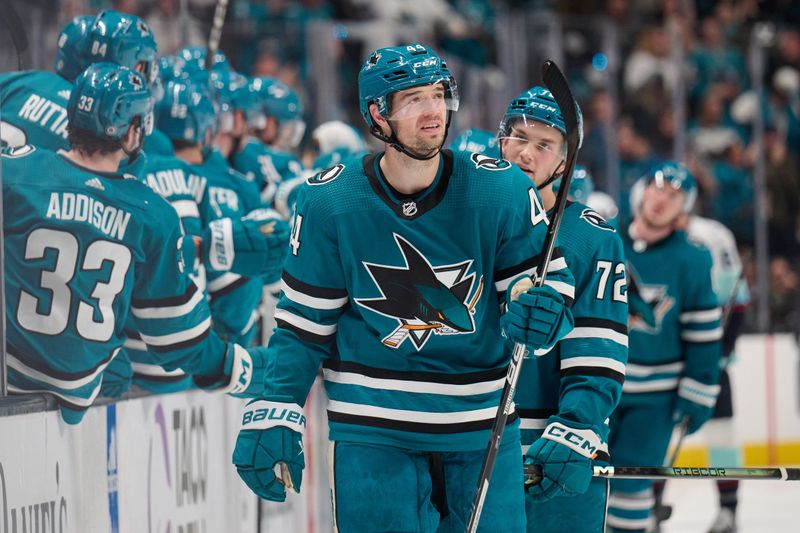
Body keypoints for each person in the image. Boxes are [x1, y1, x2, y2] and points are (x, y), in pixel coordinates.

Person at [232, 43, 576, 532]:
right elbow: (303, 326)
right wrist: (276, 404)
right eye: (414, 99)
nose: (434, 110)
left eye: (439, 94)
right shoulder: (330, 201)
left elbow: (538, 286)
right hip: (373, 434)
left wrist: (538, 308)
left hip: (481, 431)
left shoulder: (500, 190)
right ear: (378, 114)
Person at [2, 63, 265, 423]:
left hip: (9, 381)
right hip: (79, 396)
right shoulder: (152, 213)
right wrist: (242, 367)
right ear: (131, 133)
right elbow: (179, 340)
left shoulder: (15, 172)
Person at [498, 88, 629, 533]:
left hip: (552, 450)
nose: (525, 153)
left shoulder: (593, 238)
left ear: (565, 161)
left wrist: (573, 429)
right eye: (518, 137)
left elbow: (598, 353)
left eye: (544, 144)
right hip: (470, 444)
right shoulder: (467, 225)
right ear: (500, 140)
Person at [606, 162, 722, 532]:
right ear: (641, 191)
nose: (661, 200)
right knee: (584, 481)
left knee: (631, 484)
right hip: (598, 385)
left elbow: (703, 333)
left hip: (656, 399)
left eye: (674, 196)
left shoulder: (693, 258)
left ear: (684, 209)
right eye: (657, 189)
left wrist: (700, 389)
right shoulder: (603, 238)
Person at [685, 215, 749, 533]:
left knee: (722, 437)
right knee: (655, 439)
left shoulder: (713, 234)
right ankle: (647, 507)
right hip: (665, 359)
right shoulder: (642, 233)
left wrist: (722, 352)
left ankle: (728, 510)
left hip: (708, 359)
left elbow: (737, 300)